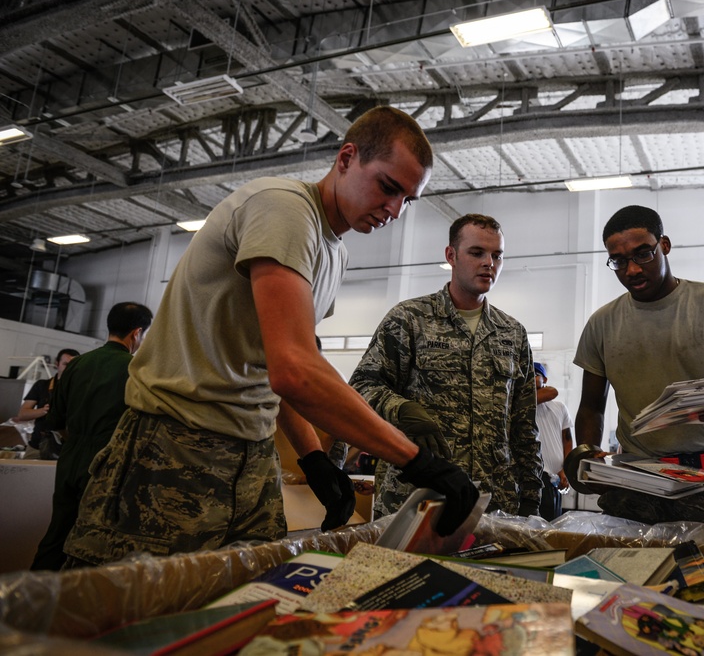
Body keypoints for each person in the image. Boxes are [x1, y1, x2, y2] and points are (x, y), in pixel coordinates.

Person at [62, 106, 478, 567]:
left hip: (252, 452)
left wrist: (313, 458)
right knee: (137, 618)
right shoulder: (284, 209)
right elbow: (295, 372)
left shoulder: (333, 253)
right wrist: (415, 459)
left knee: (252, 604)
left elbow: (273, 367)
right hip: (176, 443)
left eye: (409, 200)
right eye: (388, 187)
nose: (396, 210)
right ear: (346, 158)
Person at [573, 205, 704, 524]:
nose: (633, 270)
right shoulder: (601, 324)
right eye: (619, 261)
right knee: (631, 573)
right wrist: (585, 454)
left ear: (664, 245)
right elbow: (591, 407)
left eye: (643, 254)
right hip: (637, 484)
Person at [350, 213, 544, 519]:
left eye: (497, 255)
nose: (489, 263)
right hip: (417, 495)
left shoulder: (512, 332)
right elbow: (362, 387)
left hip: (493, 502)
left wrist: (532, 497)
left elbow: (523, 425)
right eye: (477, 253)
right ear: (450, 256)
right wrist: (401, 409)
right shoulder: (410, 318)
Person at [30, 303, 152, 570]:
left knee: (56, 533)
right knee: (93, 543)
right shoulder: (136, 370)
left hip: (69, 456)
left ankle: (31, 599)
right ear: (137, 333)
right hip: (105, 463)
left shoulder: (76, 365)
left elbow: (54, 419)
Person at [15, 348, 79, 459]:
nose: (69, 369)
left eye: (73, 365)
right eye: (65, 364)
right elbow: (22, 414)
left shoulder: (80, 390)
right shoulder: (42, 385)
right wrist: (44, 410)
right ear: (57, 364)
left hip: (65, 450)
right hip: (37, 447)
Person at [533, 361, 573, 521]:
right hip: (535, 478)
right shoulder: (523, 404)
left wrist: (567, 469)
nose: (531, 378)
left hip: (555, 479)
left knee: (552, 526)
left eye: (535, 375)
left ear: (545, 379)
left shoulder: (559, 407)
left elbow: (567, 440)